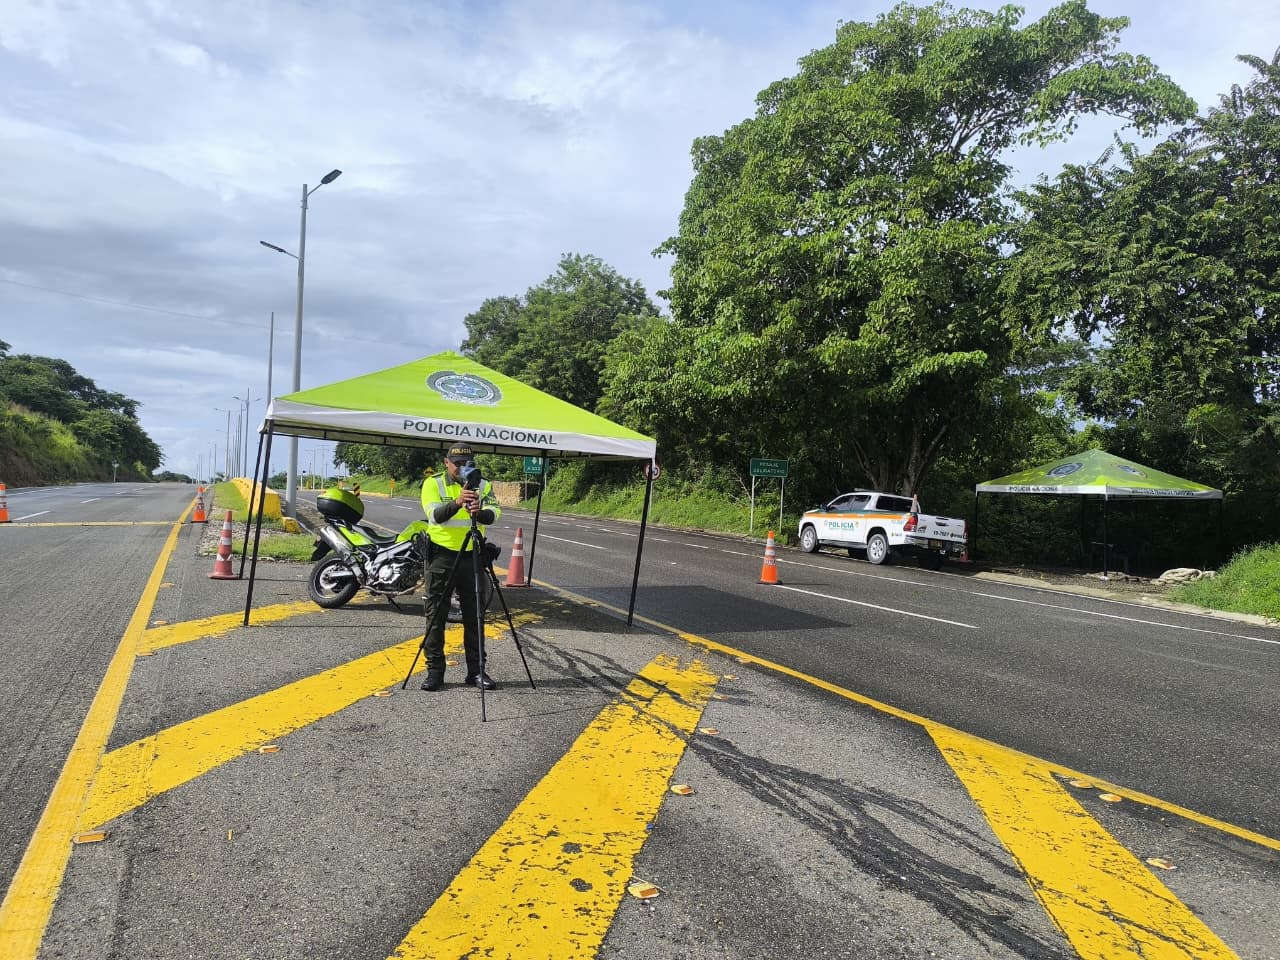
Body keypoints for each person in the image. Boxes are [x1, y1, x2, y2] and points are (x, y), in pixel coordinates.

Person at [418, 443, 502, 691]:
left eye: (466, 463)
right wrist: (457, 502)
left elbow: (495, 513)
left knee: (475, 616)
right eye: (456, 464)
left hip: (471, 555)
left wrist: (480, 512)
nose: (461, 468)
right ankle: (435, 672)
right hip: (441, 556)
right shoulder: (433, 483)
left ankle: (476, 671)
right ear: (446, 463)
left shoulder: (483, 484)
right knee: (436, 615)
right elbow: (434, 516)